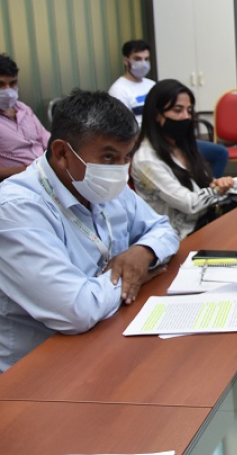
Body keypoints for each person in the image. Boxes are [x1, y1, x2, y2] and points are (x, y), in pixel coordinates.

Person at [0, 90, 179, 373]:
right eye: (108, 156)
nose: (121, 170)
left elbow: (163, 229)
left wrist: (142, 252)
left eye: (127, 156)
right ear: (62, 153)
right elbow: (77, 310)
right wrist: (134, 276)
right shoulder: (17, 209)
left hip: (103, 337)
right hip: (36, 369)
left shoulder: (104, 185)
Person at [131, 79, 237, 239]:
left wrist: (220, 184)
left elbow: (207, 186)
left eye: (189, 111)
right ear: (157, 115)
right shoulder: (146, 159)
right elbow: (190, 204)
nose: (186, 117)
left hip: (205, 222)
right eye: (177, 110)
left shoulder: (180, 145)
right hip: (180, 239)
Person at [109, 40, 229, 178]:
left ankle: (209, 185)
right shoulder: (119, 90)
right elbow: (124, 131)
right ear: (126, 61)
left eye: (146, 59)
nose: (143, 63)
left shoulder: (151, 85)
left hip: (169, 138)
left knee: (219, 153)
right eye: (138, 59)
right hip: (149, 142)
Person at [0, 53, 50, 181]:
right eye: (1, 85)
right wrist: (25, 170)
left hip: (48, 172)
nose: (8, 90)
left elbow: (46, 139)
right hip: (18, 181)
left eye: (12, 83)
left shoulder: (23, 109)